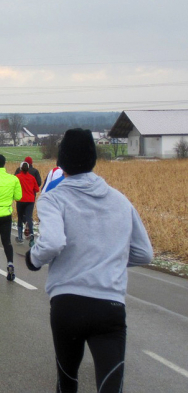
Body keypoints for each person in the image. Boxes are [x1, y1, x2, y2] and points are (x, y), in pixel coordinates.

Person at [25, 129, 153, 393]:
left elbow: (52, 242)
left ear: (60, 163)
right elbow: (144, 253)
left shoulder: (52, 198)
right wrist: (109, 257)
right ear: (93, 159)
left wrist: (33, 259)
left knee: (68, 380)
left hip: (67, 304)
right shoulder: (120, 201)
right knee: (110, 385)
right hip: (110, 306)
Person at [15, 161, 40, 246]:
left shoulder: (17, 177)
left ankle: (20, 237)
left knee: (20, 217)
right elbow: (37, 189)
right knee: (29, 217)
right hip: (30, 200)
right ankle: (32, 234)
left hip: (20, 200)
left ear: (20, 168)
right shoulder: (32, 178)